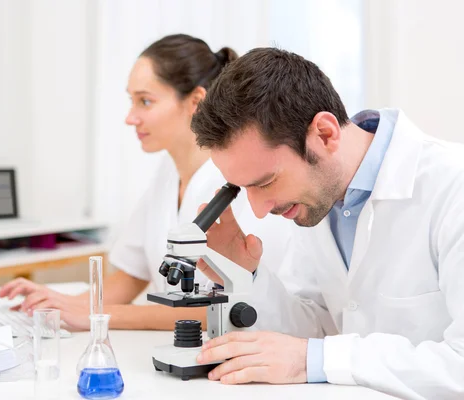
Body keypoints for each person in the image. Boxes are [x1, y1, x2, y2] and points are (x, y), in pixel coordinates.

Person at [188, 47, 464, 399]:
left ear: (325, 134)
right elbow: (318, 327)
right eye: (245, 190)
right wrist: (245, 273)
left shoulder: (453, 187)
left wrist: (312, 359)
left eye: (266, 182)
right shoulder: (318, 199)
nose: (258, 210)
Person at [0, 35, 291, 331]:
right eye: (132, 101)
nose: (130, 117)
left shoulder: (239, 180)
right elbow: (131, 275)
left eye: (145, 101)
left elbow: (231, 308)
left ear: (196, 102)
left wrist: (94, 318)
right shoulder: (167, 172)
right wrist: (58, 304)